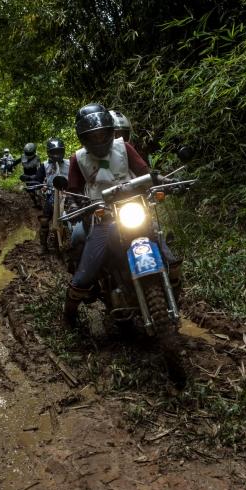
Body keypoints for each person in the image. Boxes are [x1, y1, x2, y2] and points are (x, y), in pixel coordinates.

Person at [62, 103, 180, 327]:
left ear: (110, 131)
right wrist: (73, 205)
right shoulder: (78, 159)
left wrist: (166, 182)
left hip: (135, 207)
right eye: (92, 136)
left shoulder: (124, 148)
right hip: (103, 218)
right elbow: (73, 191)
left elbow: (147, 174)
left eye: (101, 134)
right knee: (84, 276)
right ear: (83, 138)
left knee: (170, 259)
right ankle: (69, 315)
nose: (98, 140)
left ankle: (174, 293)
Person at [34, 137, 70, 254]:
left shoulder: (69, 163)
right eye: (54, 152)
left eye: (58, 152)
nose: (56, 155)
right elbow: (37, 179)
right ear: (49, 153)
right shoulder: (44, 165)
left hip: (67, 195)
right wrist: (39, 185)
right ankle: (43, 246)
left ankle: (72, 241)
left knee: (72, 217)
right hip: (51, 195)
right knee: (45, 220)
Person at [18, 142, 41, 207]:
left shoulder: (37, 158)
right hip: (26, 176)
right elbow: (19, 162)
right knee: (30, 191)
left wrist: (38, 176)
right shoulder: (23, 156)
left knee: (37, 190)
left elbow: (39, 168)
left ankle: (39, 203)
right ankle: (35, 203)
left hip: (34, 176)